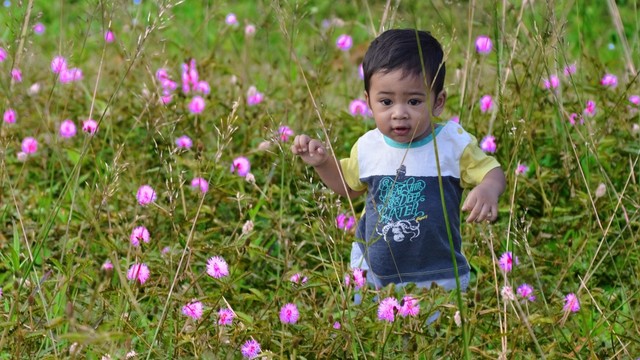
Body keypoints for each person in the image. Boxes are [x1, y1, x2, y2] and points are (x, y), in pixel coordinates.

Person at [291, 29, 506, 294]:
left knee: (432, 333)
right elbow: (349, 188)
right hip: (371, 270)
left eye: (414, 101)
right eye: (386, 101)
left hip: (437, 273)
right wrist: (323, 163)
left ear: (437, 102)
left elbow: (492, 171)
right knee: (372, 330)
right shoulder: (370, 146)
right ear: (369, 102)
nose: (399, 113)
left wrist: (488, 188)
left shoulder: (452, 144)